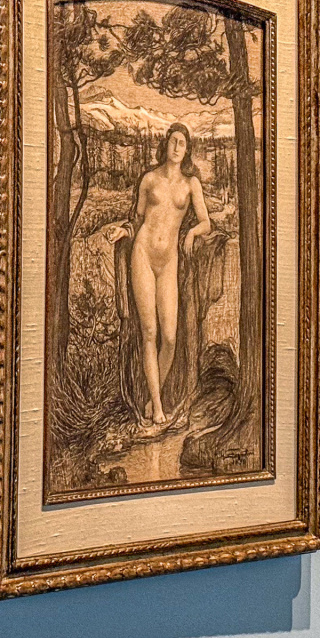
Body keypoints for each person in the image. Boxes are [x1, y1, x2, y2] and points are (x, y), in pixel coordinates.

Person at [124, 123, 211, 428]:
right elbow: (137, 218)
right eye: (173, 141)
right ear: (166, 144)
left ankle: (153, 398)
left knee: (170, 338)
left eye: (182, 143)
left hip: (169, 261)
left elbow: (206, 222)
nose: (177, 147)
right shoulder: (149, 179)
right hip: (143, 255)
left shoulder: (191, 184)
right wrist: (124, 231)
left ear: (187, 150)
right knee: (150, 332)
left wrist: (192, 234)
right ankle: (158, 406)